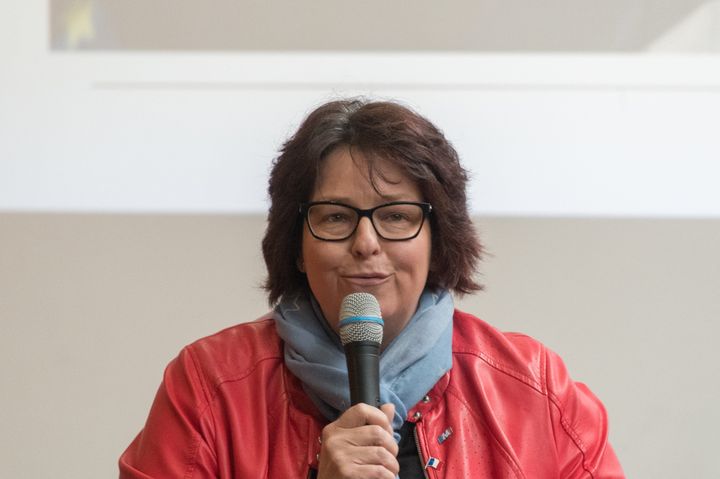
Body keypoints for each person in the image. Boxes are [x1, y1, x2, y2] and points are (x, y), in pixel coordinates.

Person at [119, 99, 625, 478]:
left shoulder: (536, 390)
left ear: (438, 241)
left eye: (397, 217)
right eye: (336, 217)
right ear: (296, 244)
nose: (366, 243)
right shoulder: (209, 387)